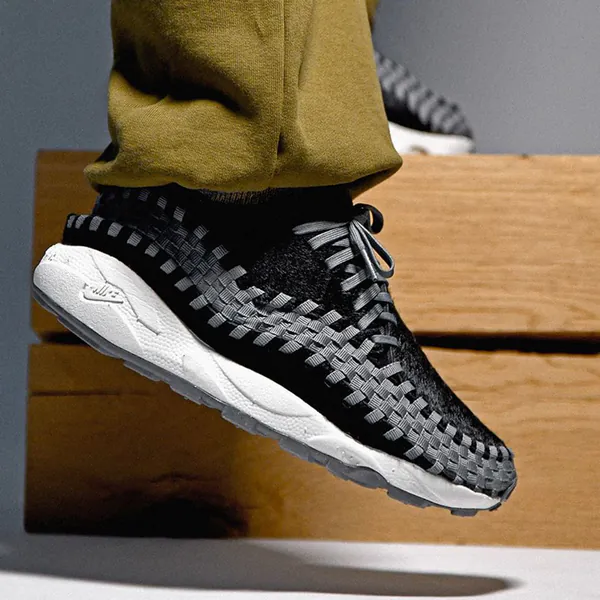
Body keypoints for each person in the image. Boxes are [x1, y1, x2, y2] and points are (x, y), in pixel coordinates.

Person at [32, 0, 516, 515]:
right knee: (259, 58)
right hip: (217, 222)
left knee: (311, 38)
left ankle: (313, 57)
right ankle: (237, 190)